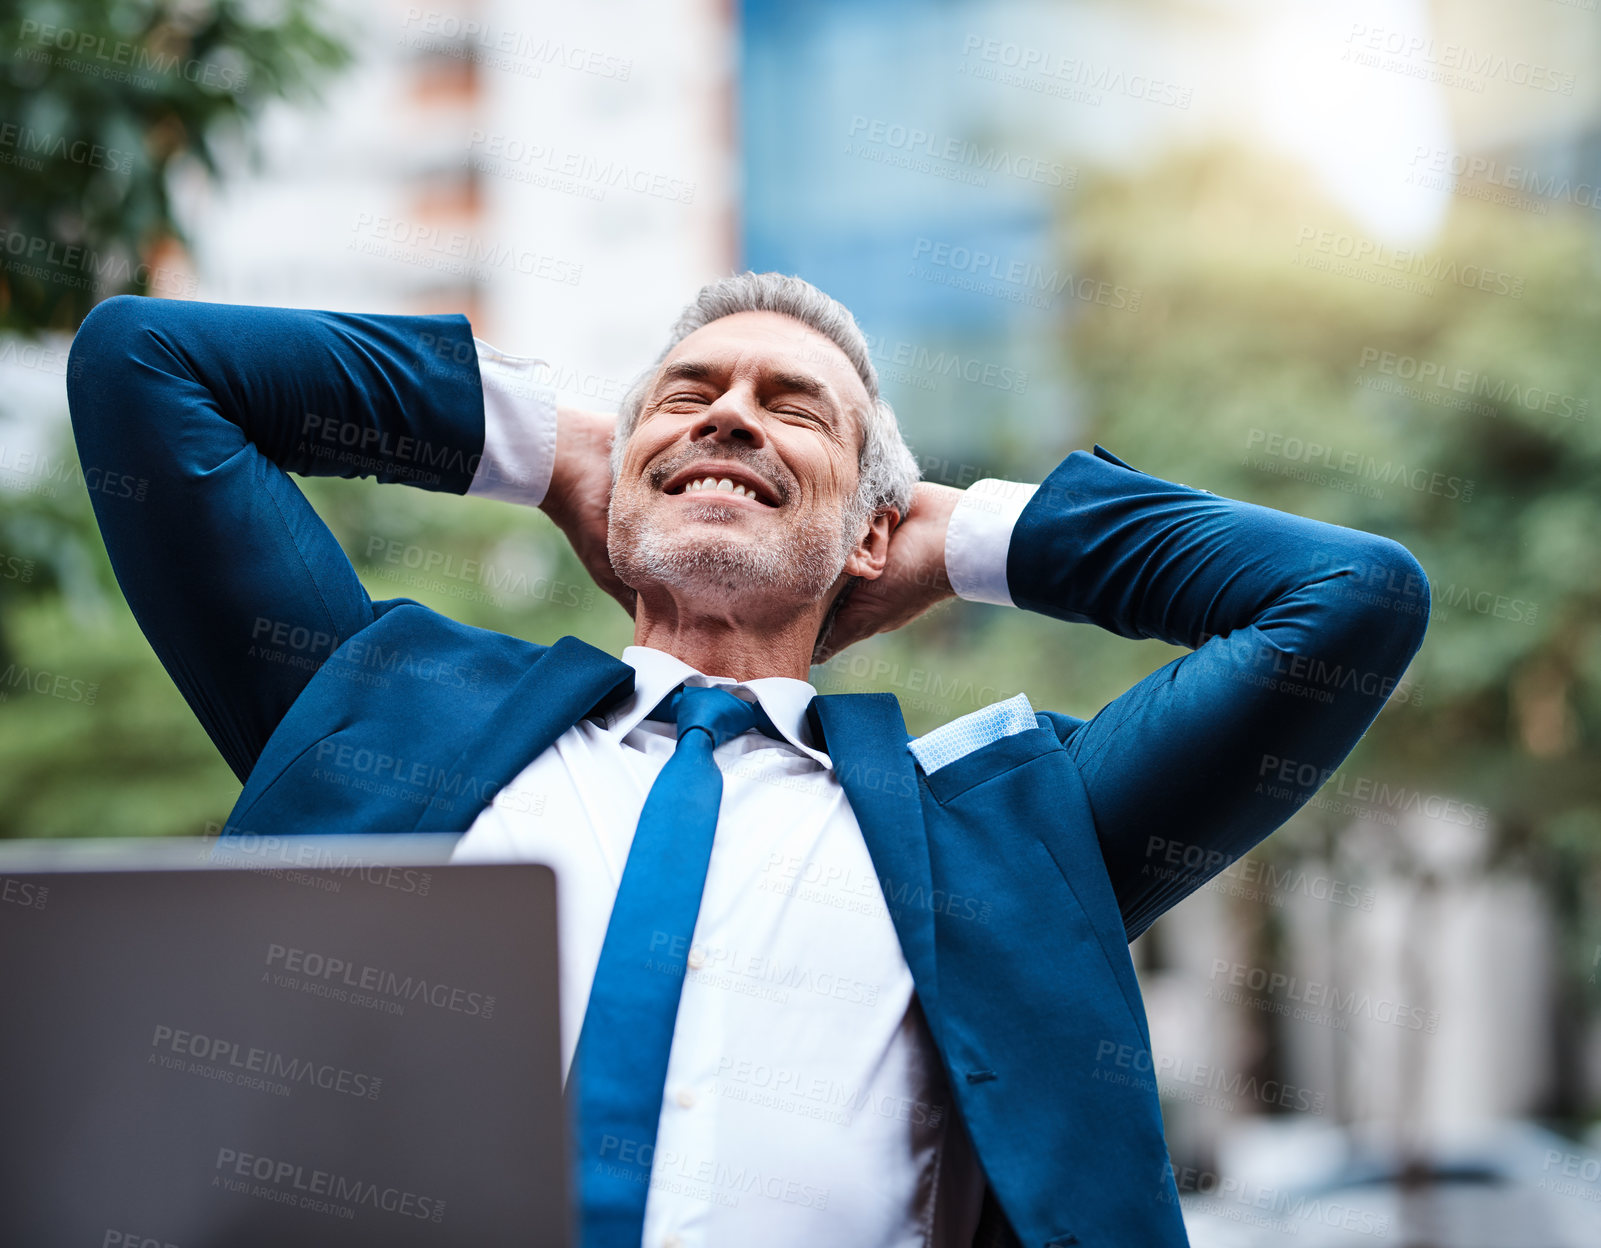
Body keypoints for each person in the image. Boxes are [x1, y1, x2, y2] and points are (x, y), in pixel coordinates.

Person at [67, 273, 1429, 1248]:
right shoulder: (387, 713)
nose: (727, 415)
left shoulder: (1013, 833)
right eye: (686, 395)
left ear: (870, 537)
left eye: (795, 409)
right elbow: (143, 364)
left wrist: (957, 539)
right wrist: (549, 448)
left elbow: (1347, 600)